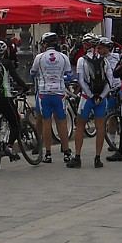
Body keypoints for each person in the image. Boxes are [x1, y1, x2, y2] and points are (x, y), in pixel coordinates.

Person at [67, 35, 113, 168]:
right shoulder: (105, 61)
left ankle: (77, 157)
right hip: (101, 99)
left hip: (87, 99)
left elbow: (81, 81)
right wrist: (101, 97)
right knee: (100, 128)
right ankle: (98, 158)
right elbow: (109, 82)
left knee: (80, 126)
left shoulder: (82, 60)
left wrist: (91, 96)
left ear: (86, 45)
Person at [30, 32, 73, 163]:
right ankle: (66, 152)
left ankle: (48, 154)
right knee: (62, 122)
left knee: (46, 123)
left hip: (44, 93)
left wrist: (42, 76)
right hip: (59, 93)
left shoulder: (39, 57)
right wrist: (60, 77)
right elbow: (70, 76)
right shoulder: (64, 57)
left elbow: (32, 74)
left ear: (44, 44)